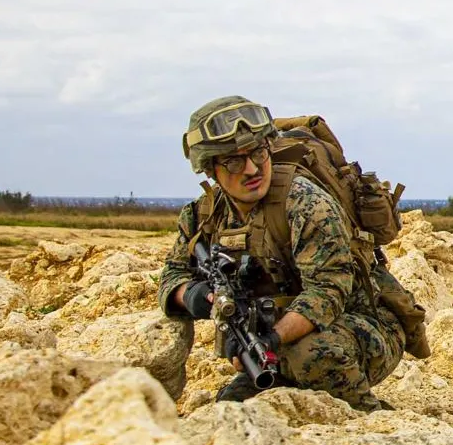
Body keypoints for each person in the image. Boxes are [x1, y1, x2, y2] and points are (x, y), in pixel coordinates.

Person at [158, 96, 408, 410]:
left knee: (309, 355)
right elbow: (171, 278)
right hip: (276, 342)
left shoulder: (304, 202)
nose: (252, 169)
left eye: (259, 153)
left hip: (363, 327)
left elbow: (328, 291)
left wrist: (273, 339)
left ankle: (369, 415)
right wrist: (199, 296)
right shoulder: (202, 215)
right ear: (210, 169)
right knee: (230, 408)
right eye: (234, 161)